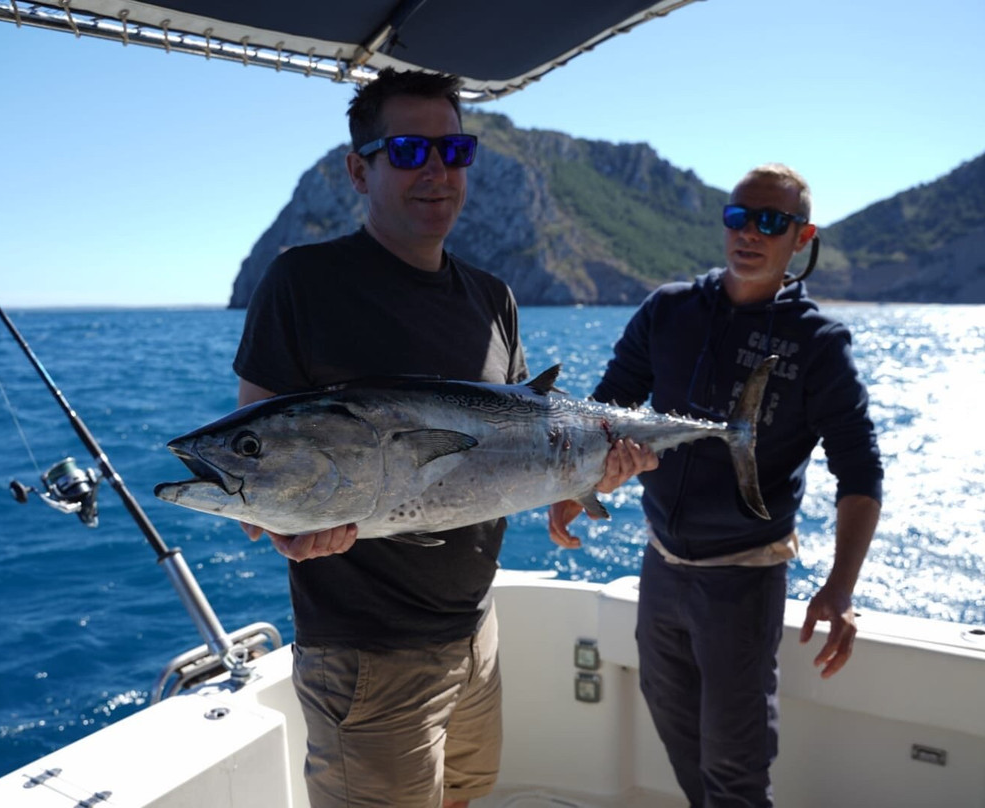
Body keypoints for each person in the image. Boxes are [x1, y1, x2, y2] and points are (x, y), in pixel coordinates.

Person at [233, 68, 651, 808]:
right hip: (366, 649)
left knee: (464, 794)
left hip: (472, 626)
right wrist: (286, 531)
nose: (436, 171)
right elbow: (260, 454)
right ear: (359, 169)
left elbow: (526, 441)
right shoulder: (303, 282)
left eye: (453, 152)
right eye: (409, 150)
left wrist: (574, 486)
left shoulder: (493, 298)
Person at [549, 164, 883, 808]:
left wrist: (840, 587)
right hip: (662, 565)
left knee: (735, 765)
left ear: (802, 237)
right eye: (738, 217)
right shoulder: (669, 309)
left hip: (744, 578)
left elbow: (860, 469)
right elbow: (609, 409)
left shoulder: (818, 343)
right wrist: (581, 482)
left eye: (770, 222)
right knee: (675, 732)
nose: (749, 233)